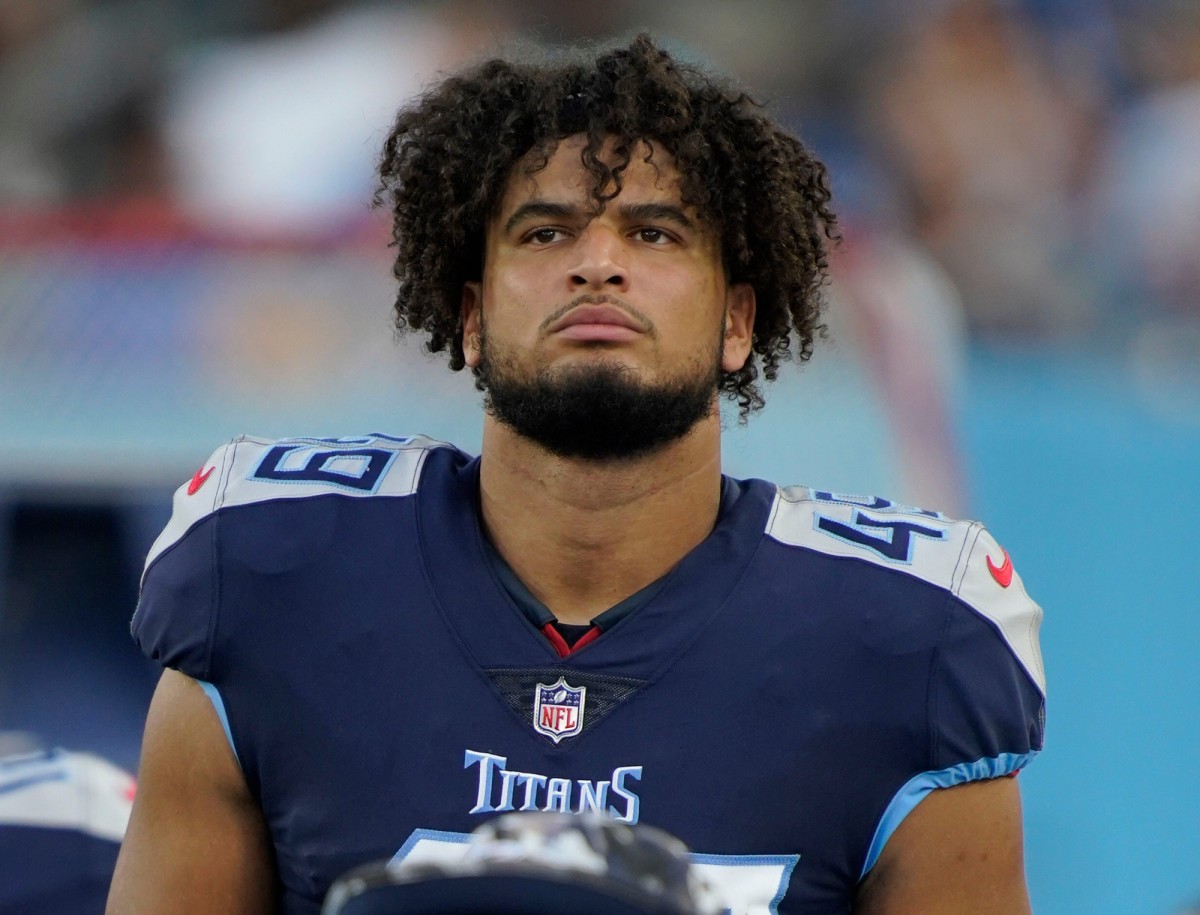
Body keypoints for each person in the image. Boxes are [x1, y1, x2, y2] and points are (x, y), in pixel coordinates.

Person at [107, 34, 1045, 914]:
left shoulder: (910, 640)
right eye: (546, 233)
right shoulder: (268, 575)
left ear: (738, 322)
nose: (598, 266)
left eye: (656, 234)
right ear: (470, 315)